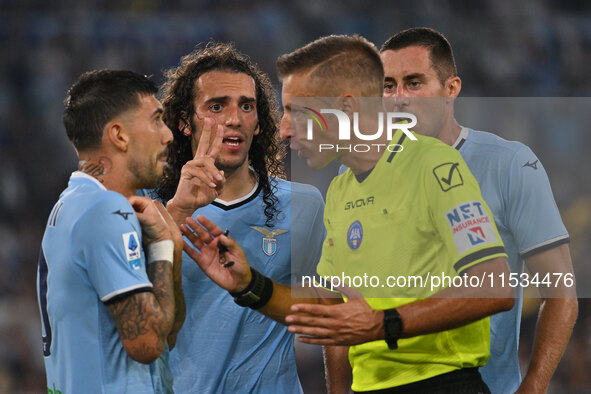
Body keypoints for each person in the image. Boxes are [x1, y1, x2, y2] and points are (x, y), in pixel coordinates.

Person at [181, 35, 515, 393]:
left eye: (298, 112)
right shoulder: (341, 190)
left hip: (441, 383)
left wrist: (384, 323)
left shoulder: (434, 163)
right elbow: (330, 304)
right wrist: (250, 285)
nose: (284, 130)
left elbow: (494, 286)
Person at [377, 27, 578, 394]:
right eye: (389, 85)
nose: (399, 98)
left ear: (451, 88)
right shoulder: (360, 175)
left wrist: (533, 386)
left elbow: (561, 290)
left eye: (414, 82)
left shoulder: (509, 164)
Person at [151, 43, 325, 393]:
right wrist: (179, 213)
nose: (234, 118)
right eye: (217, 106)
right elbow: (130, 307)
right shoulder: (150, 205)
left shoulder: (305, 205)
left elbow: (327, 312)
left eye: (246, 106)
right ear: (185, 123)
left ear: (258, 122)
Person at [36, 70, 186, 393]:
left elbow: (166, 333)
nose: (168, 135)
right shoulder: (107, 212)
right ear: (119, 135)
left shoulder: (70, 207)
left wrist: (171, 252)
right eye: (156, 119)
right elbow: (148, 343)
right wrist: (161, 248)